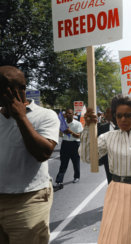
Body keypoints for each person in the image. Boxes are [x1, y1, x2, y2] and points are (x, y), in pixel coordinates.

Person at [79, 95, 131, 244]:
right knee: (115, 234)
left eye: (129, 115)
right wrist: (87, 129)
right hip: (116, 190)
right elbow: (87, 157)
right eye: (119, 115)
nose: (123, 119)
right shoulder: (107, 137)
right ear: (115, 117)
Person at [0, 66, 60, 244]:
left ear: (19, 90)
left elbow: (43, 153)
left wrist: (21, 118)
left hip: (28, 201)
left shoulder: (46, 116)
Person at [54, 108, 83, 188]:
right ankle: (59, 181)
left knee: (75, 162)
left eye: (70, 113)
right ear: (65, 115)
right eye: (67, 113)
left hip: (75, 144)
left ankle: (76, 177)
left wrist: (70, 132)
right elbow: (60, 135)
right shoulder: (63, 124)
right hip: (65, 144)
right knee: (63, 164)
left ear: (73, 114)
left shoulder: (78, 124)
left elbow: (79, 136)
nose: (69, 115)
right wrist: (62, 132)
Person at [97, 107, 115, 184]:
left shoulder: (123, 126)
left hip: (123, 159)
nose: (105, 115)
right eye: (105, 113)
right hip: (107, 159)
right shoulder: (102, 127)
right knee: (111, 182)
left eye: (108, 113)